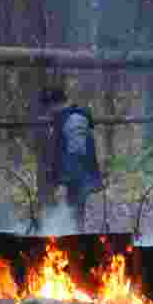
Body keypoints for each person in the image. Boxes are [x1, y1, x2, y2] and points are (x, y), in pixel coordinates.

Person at [44, 88, 103, 232]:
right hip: (85, 169)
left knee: (73, 207)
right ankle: (77, 233)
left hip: (75, 170)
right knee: (78, 207)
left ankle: (74, 237)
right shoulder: (80, 115)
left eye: (49, 107)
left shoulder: (63, 118)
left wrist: (58, 176)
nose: (49, 111)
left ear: (54, 104)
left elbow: (62, 149)